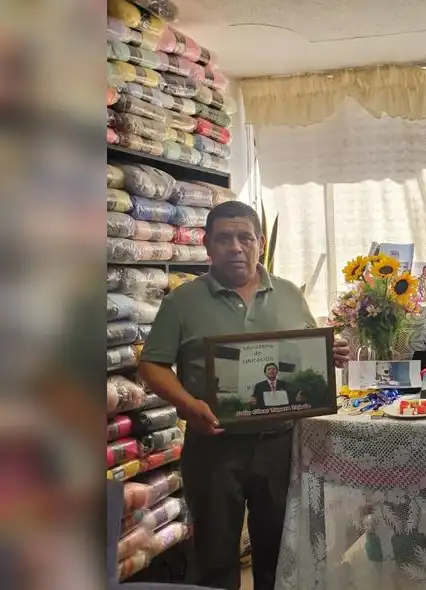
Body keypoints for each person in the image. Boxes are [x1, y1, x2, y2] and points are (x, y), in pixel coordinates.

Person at [138, 201, 351, 590]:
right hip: (213, 448)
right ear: (207, 244)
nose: (235, 247)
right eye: (223, 239)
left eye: (244, 238)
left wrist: (330, 354)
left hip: (280, 446)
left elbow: (306, 352)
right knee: (215, 558)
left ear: (260, 243)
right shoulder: (182, 302)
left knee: (279, 554)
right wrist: (188, 405)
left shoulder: (289, 294)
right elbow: (152, 365)